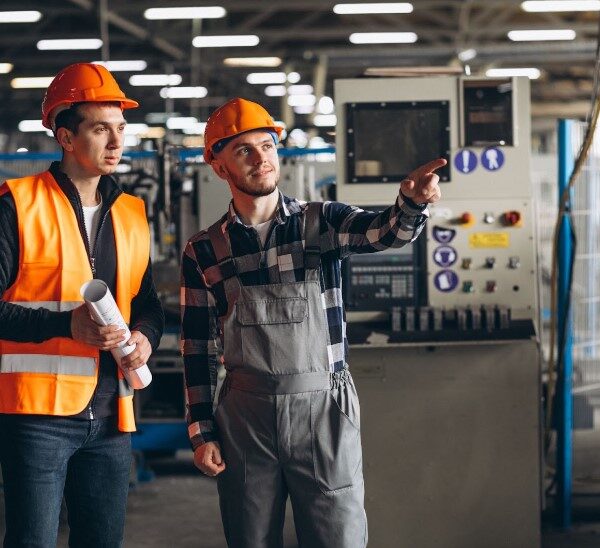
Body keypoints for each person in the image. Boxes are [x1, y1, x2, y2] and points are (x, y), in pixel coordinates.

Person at [180, 97, 444, 548]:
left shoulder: (321, 224)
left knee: (335, 536)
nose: (261, 158)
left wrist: (411, 204)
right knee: (250, 537)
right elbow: (196, 349)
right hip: (246, 416)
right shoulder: (204, 250)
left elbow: (384, 232)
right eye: (244, 150)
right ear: (219, 166)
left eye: (267, 145)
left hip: (323, 410)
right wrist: (202, 432)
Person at [0, 63, 164, 548]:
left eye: (120, 129)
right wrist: (67, 326)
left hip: (114, 414)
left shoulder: (133, 212)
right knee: (32, 541)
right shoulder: (16, 205)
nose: (116, 143)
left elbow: (148, 303)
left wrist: (145, 339)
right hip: (36, 417)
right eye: (100, 129)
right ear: (66, 137)